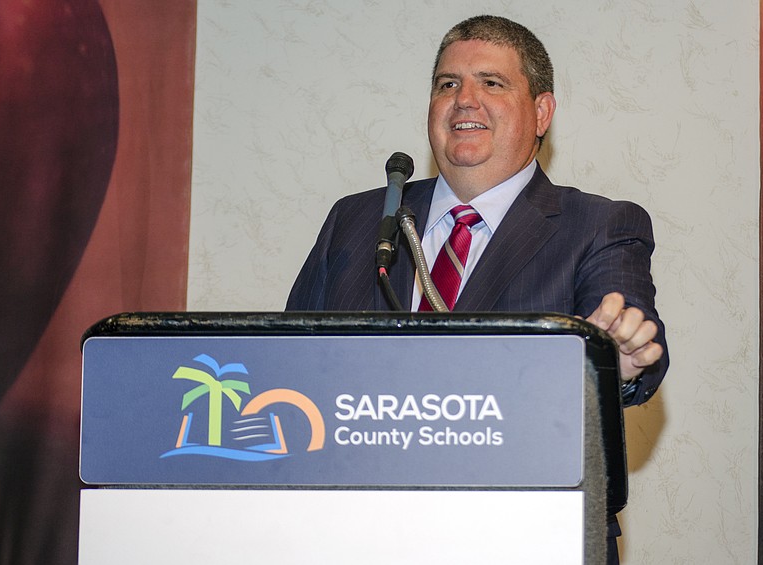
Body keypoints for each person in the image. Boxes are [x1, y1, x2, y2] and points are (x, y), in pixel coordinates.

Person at [286, 15, 668, 563]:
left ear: (541, 112)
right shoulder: (358, 219)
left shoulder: (597, 226)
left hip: (524, 536)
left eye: (491, 83)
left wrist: (617, 363)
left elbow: (633, 340)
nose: (465, 99)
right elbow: (288, 362)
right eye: (448, 84)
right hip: (355, 534)